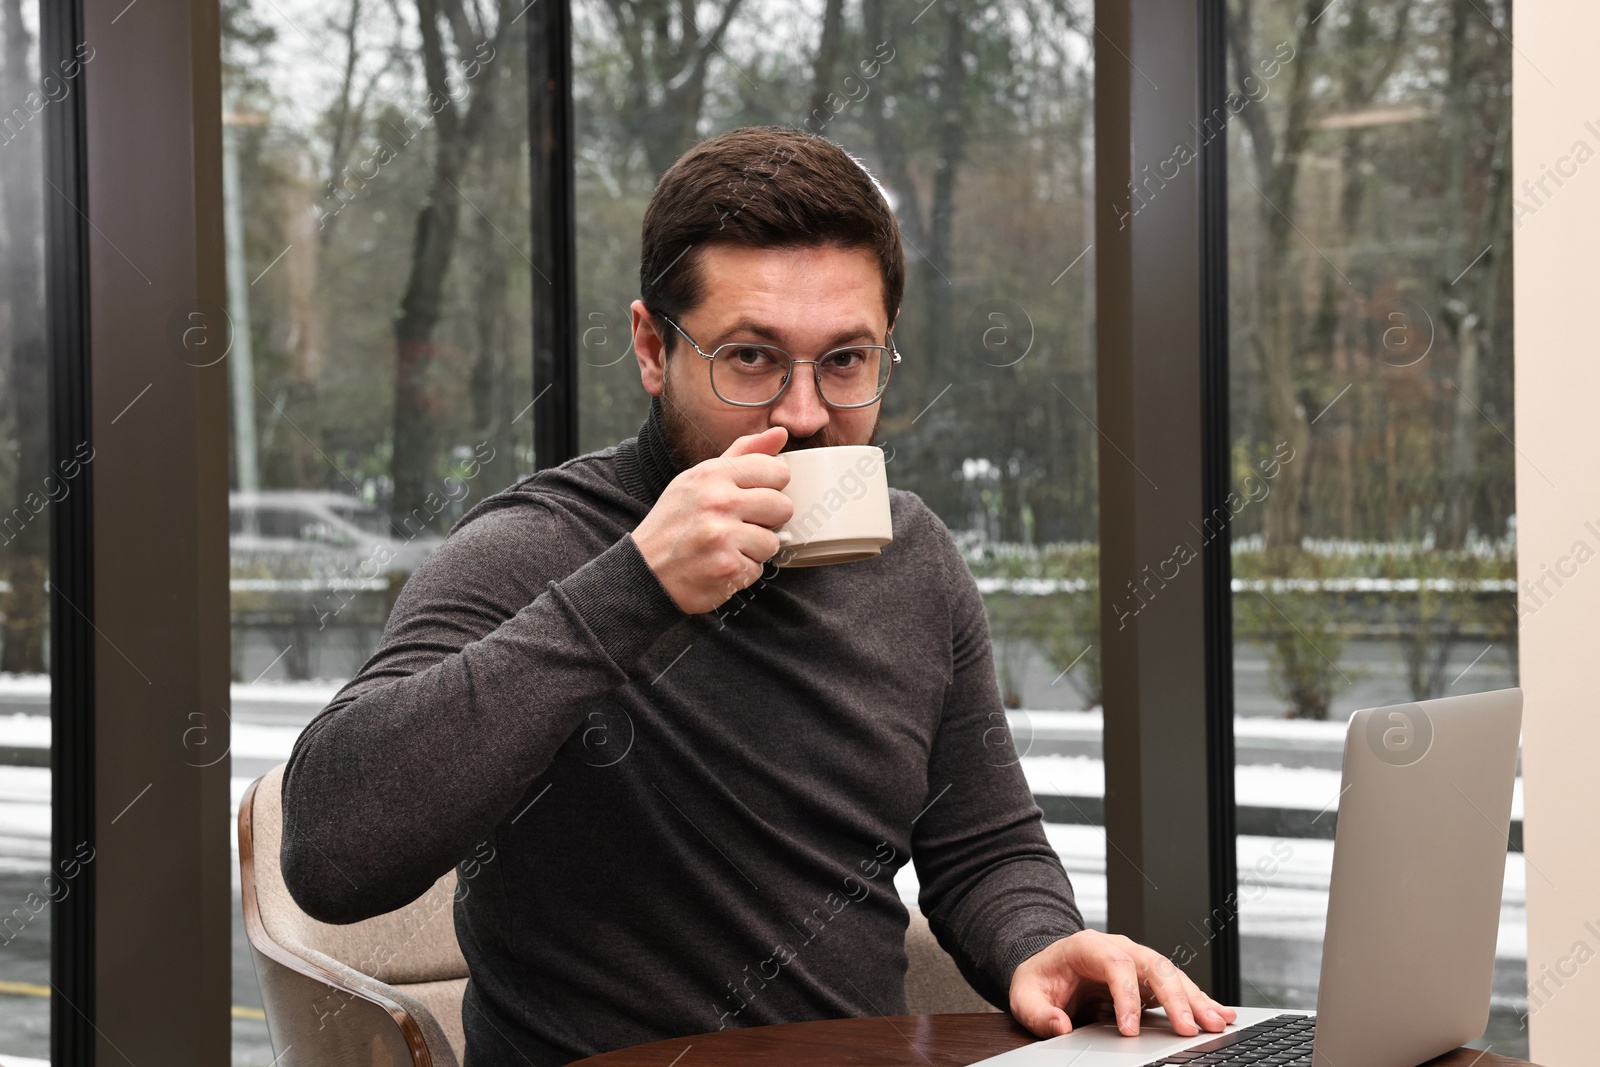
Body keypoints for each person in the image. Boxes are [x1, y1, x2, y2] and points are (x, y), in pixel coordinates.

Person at [280, 125, 1235, 1065]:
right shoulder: (531, 551)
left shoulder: (913, 560)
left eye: (847, 360)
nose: (806, 412)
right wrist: (636, 585)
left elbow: (984, 849)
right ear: (653, 349)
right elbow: (330, 852)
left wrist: (1039, 941)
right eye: (751, 357)